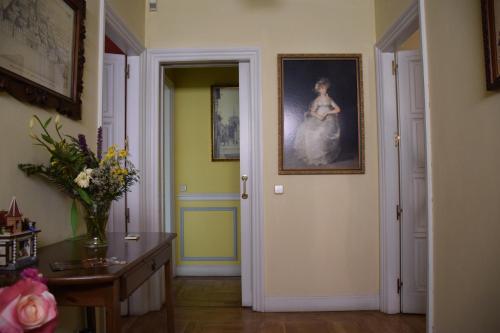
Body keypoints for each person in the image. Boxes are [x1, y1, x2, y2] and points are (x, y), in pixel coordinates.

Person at [293, 78, 342, 166]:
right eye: (321, 88)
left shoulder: (329, 99)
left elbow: (338, 109)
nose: (323, 90)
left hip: (328, 120)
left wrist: (327, 112)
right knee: (309, 132)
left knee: (321, 133)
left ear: (327, 88)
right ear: (318, 90)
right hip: (318, 119)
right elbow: (312, 111)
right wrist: (319, 116)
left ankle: (323, 156)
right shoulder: (317, 100)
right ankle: (316, 157)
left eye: (324, 88)